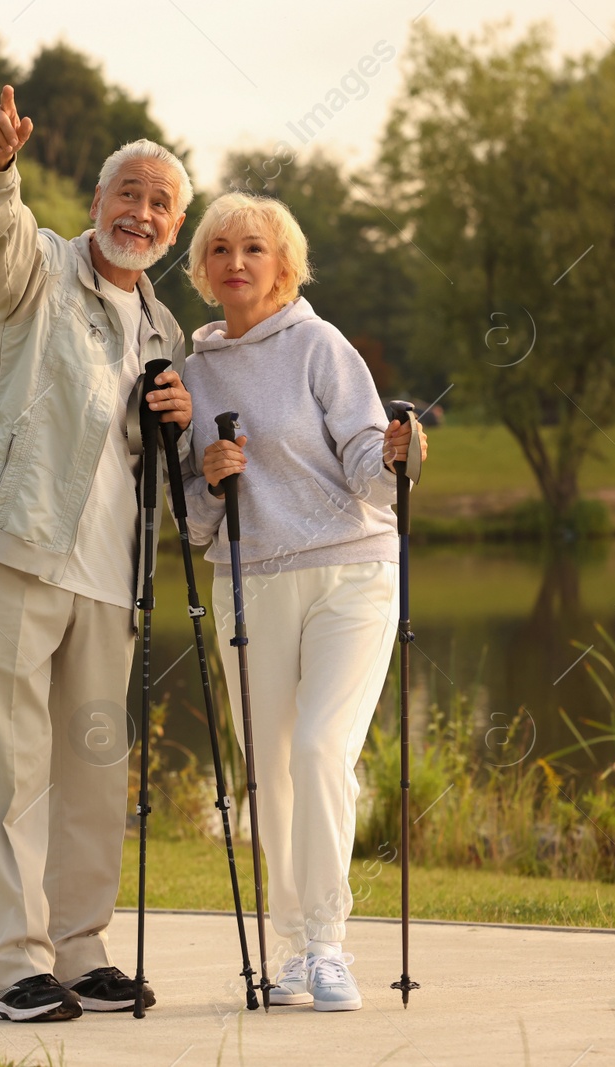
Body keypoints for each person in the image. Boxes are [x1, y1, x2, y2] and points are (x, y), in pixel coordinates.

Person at [0, 84, 193, 1023]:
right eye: (126, 193)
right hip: (15, 549)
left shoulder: (167, 333)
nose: (140, 212)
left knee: (96, 769)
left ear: (173, 229)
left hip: (110, 577)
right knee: (11, 769)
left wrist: (173, 419)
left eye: (159, 203)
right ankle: (17, 960)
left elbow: (150, 460)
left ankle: (85, 947)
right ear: (97, 204)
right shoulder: (40, 270)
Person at [177, 191, 428, 1012]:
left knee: (321, 749)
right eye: (220, 249)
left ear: (285, 265)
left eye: (254, 248)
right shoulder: (190, 369)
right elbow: (194, 518)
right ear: (203, 269)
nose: (237, 261)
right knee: (270, 773)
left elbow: (367, 465)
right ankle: (291, 949)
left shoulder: (320, 345)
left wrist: (398, 454)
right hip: (249, 580)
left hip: (350, 572)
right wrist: (211, 477)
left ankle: (327, 945)